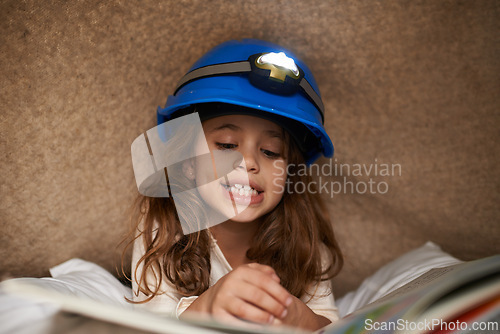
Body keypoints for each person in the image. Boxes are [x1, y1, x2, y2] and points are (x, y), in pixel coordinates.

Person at [127, 39, 343, 331]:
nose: (249, 162)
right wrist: (209, 306)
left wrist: (297, 317)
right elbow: (150, 322)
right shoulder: (162, 223)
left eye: (270, 151)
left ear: (289, 173)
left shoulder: (304, 236)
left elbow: (329, 320)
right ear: (188, 161)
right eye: (227, 145)